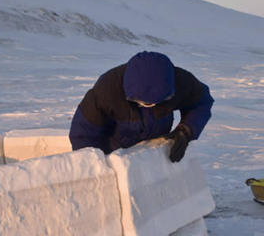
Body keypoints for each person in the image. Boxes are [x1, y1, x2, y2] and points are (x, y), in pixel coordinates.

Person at [69, 51, 213, 162]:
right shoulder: (107, 90)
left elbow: (201, 103)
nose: (149, 106)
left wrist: (185, 131)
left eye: (156, 102)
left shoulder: (181, 82)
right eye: (143, 102)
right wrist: (93, 166)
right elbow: (83, 134)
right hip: (114, 154)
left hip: (153, 151)